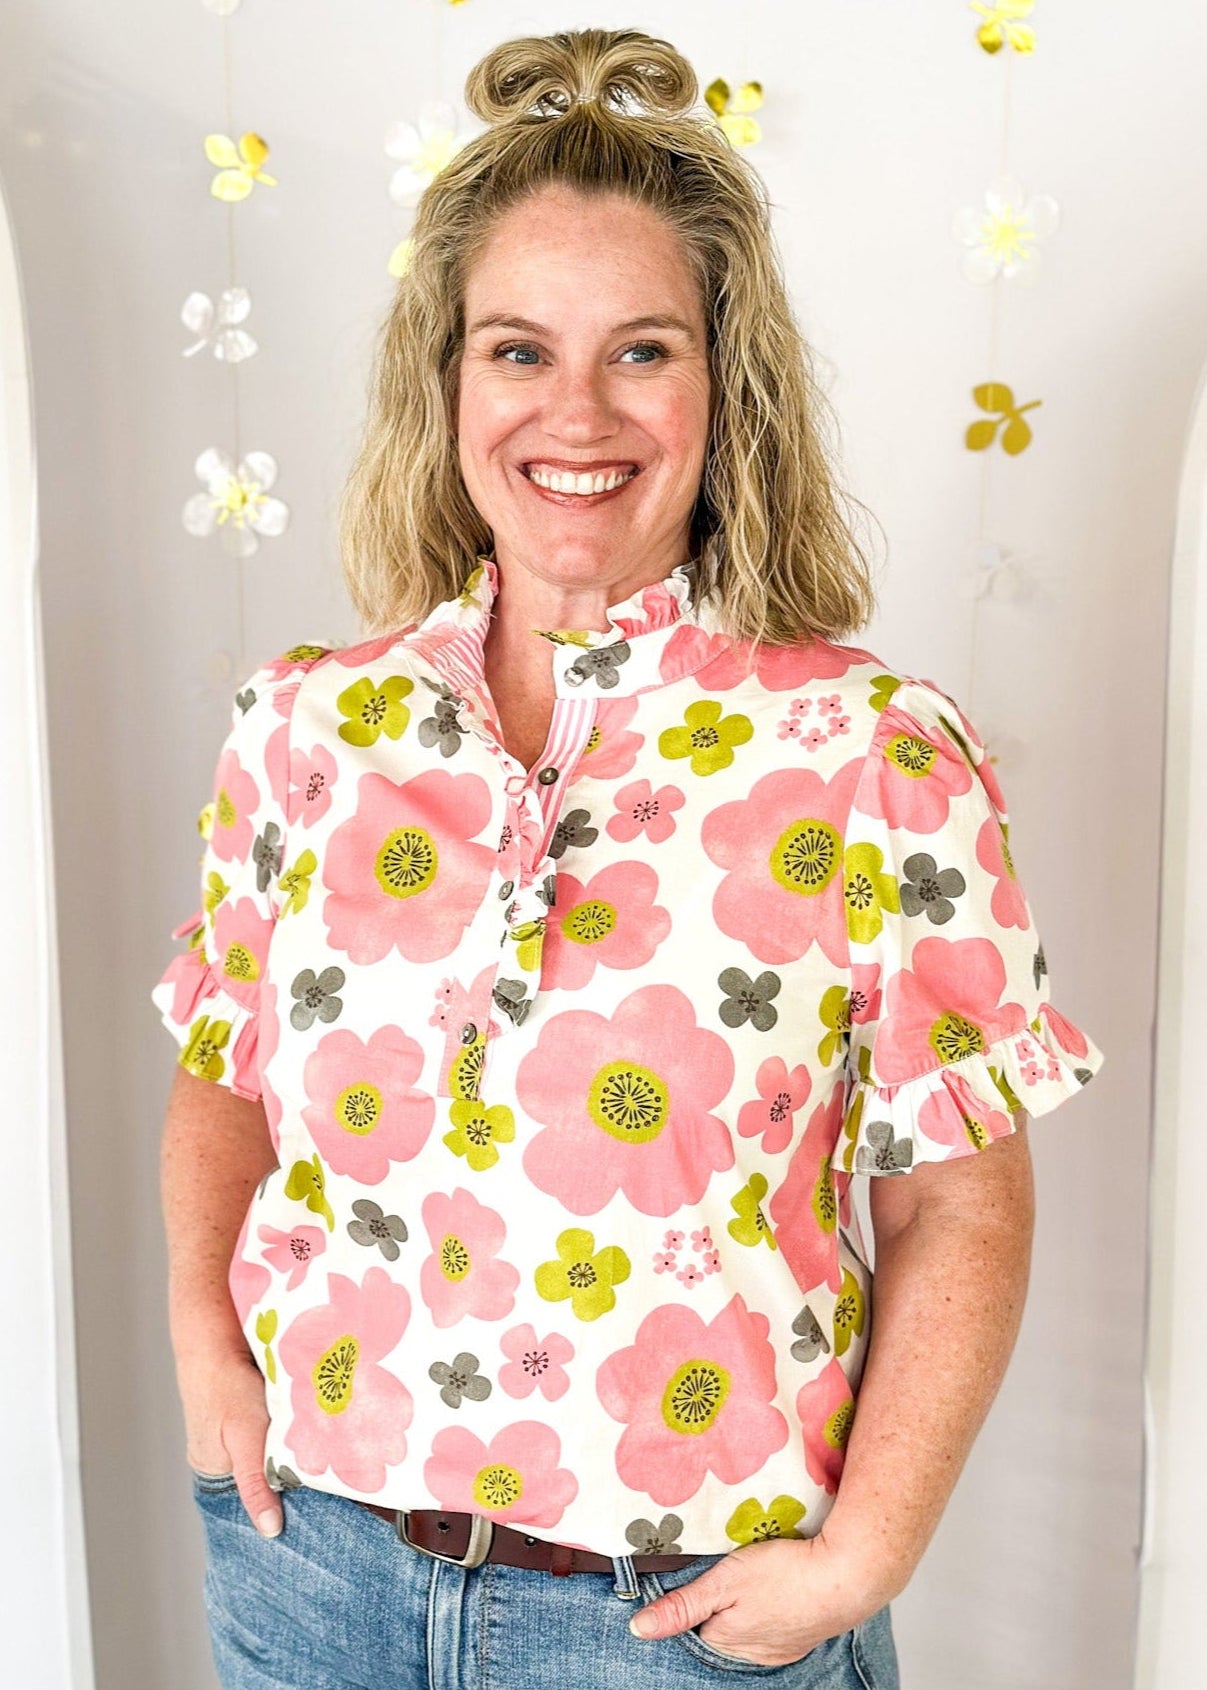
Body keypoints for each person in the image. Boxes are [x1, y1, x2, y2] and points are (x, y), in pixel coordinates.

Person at [152, 26, 1104, 1690]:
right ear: (445, 380)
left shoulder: (873, 754)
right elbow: (228, 1069)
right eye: (517, 349)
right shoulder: (307, 727)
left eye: (641, 351)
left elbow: (959, 1198)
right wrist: (204, 1359)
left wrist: (863, 1554)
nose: (572, 412)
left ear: (723, 385)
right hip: (311, 1574)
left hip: (675, 1627)